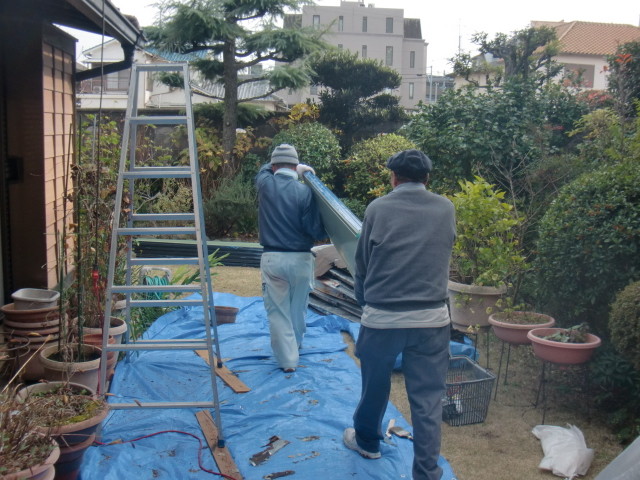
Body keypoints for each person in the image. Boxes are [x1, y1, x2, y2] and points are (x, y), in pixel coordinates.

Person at [343, 149, 456, 480]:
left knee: (374, 388)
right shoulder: (445, 208)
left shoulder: (378, 208)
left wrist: (366, 302)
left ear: (393, 178)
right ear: (427, 179)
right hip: (432, 320)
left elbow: (361, 263)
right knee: (427, 402)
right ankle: (426, 474)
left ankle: (367, 442)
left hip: (383, 319)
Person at [255, 144, 327, 373]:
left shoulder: (265, 185)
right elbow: (315, 230)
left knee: (278, 311)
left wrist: (282, 165)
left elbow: (263, 170)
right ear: (296, 167)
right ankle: (295, 346)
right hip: (301, 259)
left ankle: (288, 361)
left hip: (273, 257)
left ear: (274, 165)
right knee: (298, 308)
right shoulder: (306, 192)